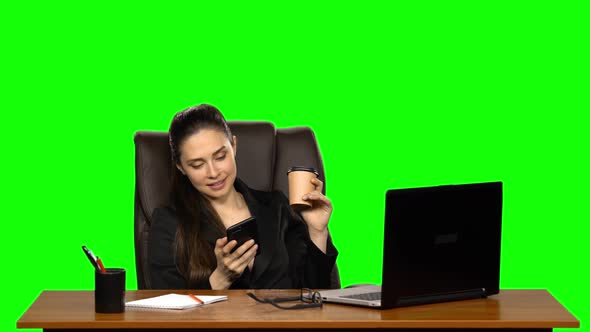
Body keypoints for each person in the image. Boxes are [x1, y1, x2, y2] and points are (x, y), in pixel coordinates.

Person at [148, 104, 338, 289]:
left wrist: (317, 231)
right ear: (181, 167)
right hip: (218, 322)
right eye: (197, 165)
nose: (213, 172)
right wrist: (219, 280)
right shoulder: (168, 222)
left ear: (234, 146)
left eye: (220, 156)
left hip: (284, 321)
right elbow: (166, 312)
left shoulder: (276, 207)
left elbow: (314, 294)